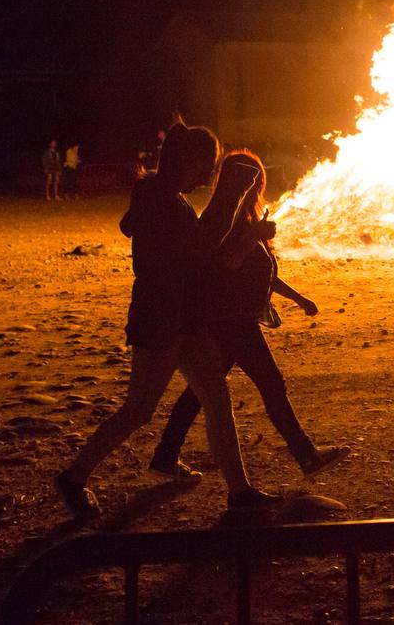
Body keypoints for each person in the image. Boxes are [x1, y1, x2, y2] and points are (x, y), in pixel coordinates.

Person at [54, 121, 281, 518]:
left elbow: (186, 244)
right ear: (187, 161)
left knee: (216, 398)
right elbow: (202, 250)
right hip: (163, 318)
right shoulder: (164, 201)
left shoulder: (161, 196)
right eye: (206, 165)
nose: (208, 174)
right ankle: (74, 477)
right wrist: (231, 199)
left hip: (178, 315)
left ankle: (240, 492)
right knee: (139, 409)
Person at [149, 150, 349, 482]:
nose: (253, 184)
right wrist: (253, 236)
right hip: (230, 319)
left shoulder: (242, 216)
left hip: (233, 318)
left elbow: (260, 271)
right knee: (271, 385)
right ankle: (307, 456)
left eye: (256, 177)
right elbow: (225, 266)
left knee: (200, 392)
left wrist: (298, 298)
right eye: (248, 177)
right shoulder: (223, 218)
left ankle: (165, 456)